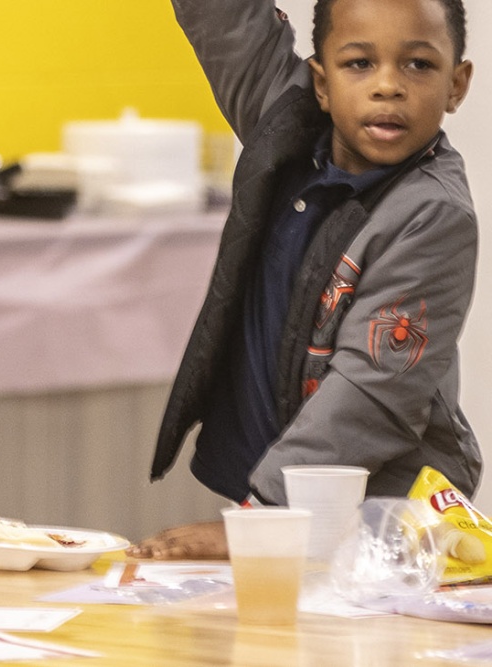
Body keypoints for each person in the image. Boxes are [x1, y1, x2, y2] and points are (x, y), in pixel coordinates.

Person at [131, 0, 478, 559]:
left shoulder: (434, 215)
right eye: (359, 63)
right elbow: (226, 22)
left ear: (456, 84)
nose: (388, 86)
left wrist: (265, 522)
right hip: (278, 500)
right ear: (321, 82)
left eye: (418, 64)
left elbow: (370, 396)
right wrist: (266, 516)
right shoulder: (288, 123)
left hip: (383, 525)